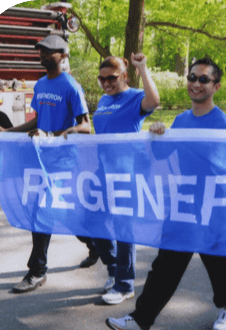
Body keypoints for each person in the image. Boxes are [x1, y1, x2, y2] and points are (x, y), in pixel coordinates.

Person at [106, 58, 226, 330]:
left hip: (212, 205)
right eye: (192, 78)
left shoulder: (222, 123)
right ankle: (140, 319)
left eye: (204, 79)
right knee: (166, 263)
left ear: (216, 86)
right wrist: (158, 134)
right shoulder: (181, 119)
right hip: (184, 204)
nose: (196, 83)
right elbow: (162, 154)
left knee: (218, 263)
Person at [0, 35, 91, 293]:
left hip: (63, 161)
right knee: (65, 215)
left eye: (48, 52)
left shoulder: (71, 86)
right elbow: (37, 121)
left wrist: (53, 137)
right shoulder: (41, 84)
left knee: (41, 211)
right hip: (40, 159)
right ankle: (96, 244)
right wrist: (6, 131)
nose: (43, 56)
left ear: (63, 56)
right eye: (40, 53)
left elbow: (85, 126)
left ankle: (37, 271)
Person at [91, 53, 160, 305]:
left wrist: (142, 67)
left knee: (123, 227)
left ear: (124, 76)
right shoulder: (103, 99)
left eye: (111, 78)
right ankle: (113, 266)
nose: (106, 83)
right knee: (92, 219)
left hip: (126, 172)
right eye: (101, 78)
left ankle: (124, 284)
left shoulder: (133, 98)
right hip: (103, 171)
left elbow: (154, 101)